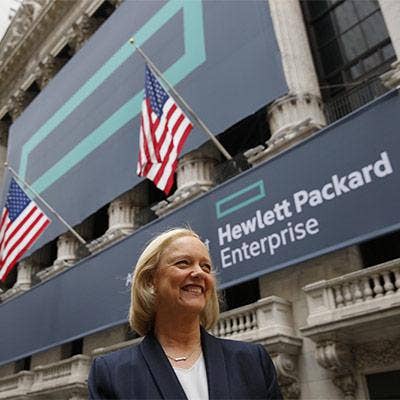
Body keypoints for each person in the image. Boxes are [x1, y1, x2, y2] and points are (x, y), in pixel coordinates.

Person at [88, 227, 282, 399]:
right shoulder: (111, 373)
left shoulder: (252, 360)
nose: (199, 273)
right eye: (183, 263)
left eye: (205, 266)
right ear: (150, 281)